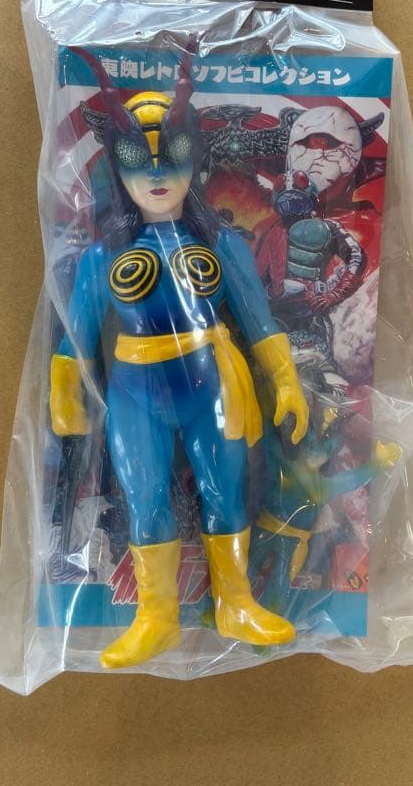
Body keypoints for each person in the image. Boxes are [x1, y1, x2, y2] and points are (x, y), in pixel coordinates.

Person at [49, 40, 309, 669]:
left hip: (211, 385)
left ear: (195, 163)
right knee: (144, 499)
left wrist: (286, 380)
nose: (157, 178)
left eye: (171, 162)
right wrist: (65, 393)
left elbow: (259, 319)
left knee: (226, 492)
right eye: (139, 166)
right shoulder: (104, 256)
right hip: (135, 393)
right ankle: (156, 616)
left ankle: (236, 600)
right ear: (121, 171)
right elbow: (76, 335)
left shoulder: (222, 245)